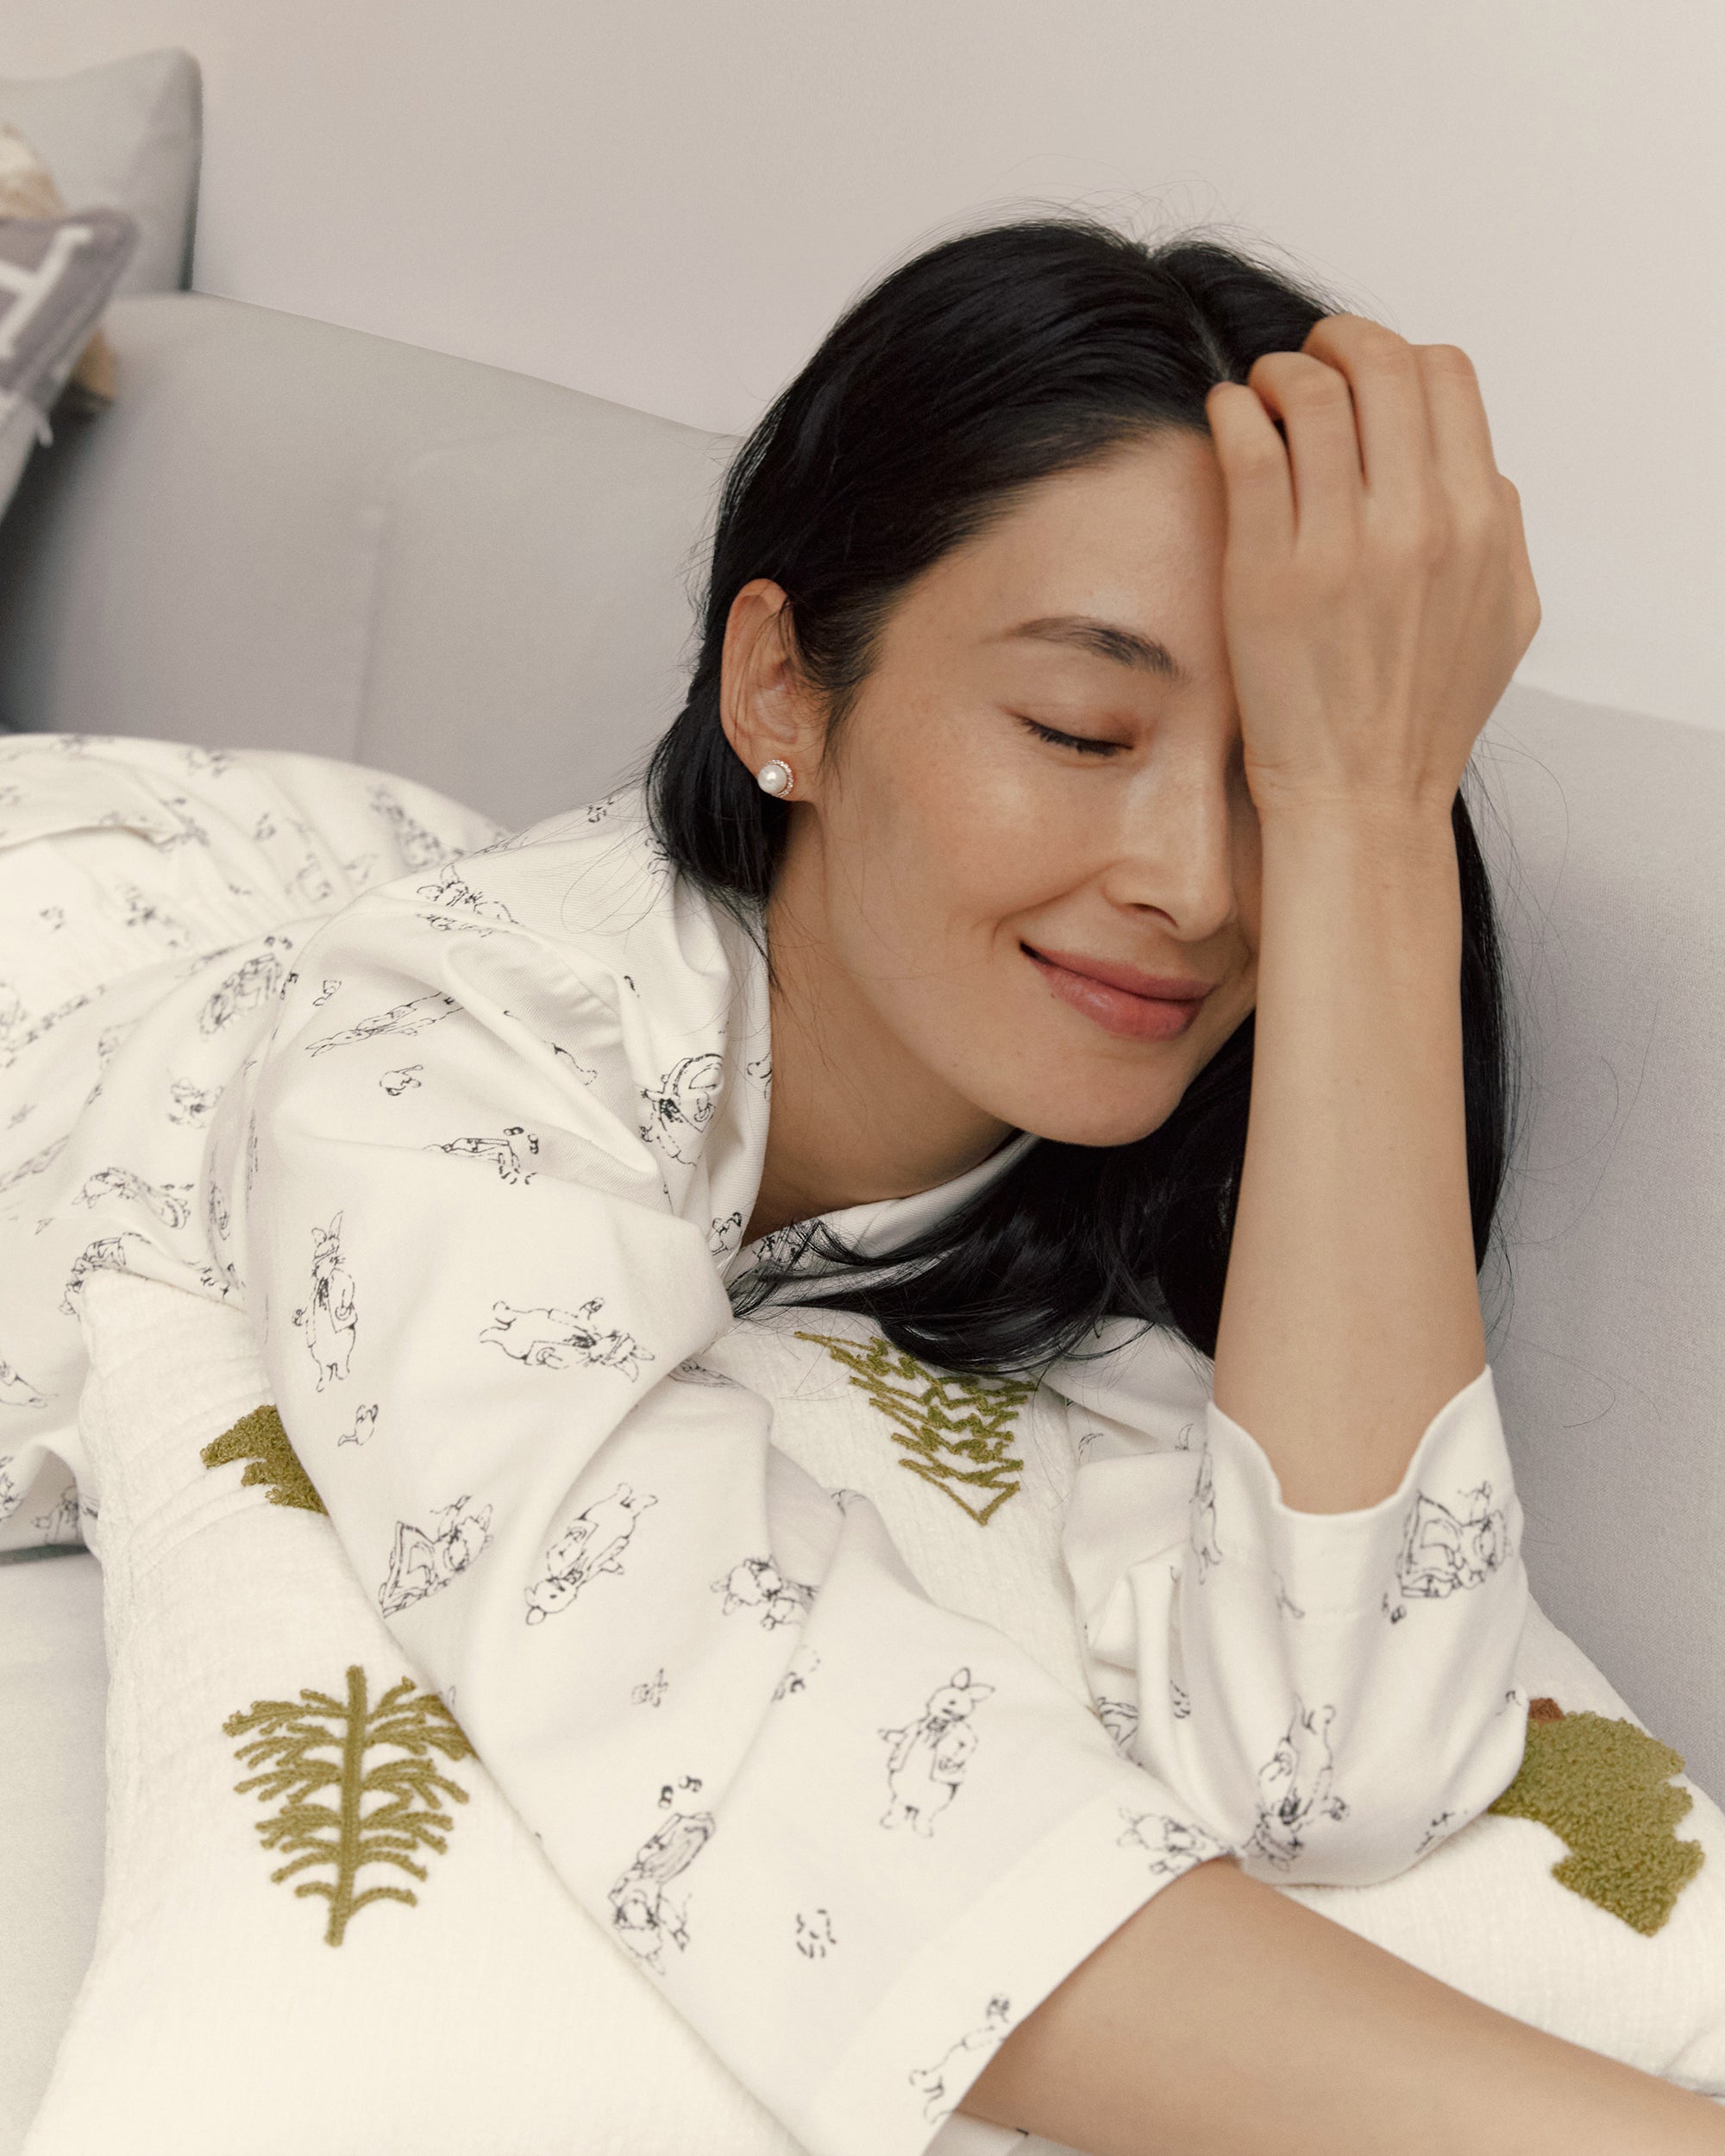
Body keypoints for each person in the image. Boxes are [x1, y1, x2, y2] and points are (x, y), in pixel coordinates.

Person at [2, 216, 1718, 2156]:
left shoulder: (1149, 1183)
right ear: (781, 689)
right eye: (1080, 730)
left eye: (1272, 771)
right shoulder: (433, 1066)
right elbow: (749, 1747)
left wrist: (1373, 811)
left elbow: (1343, 1763)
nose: (1195, 883)